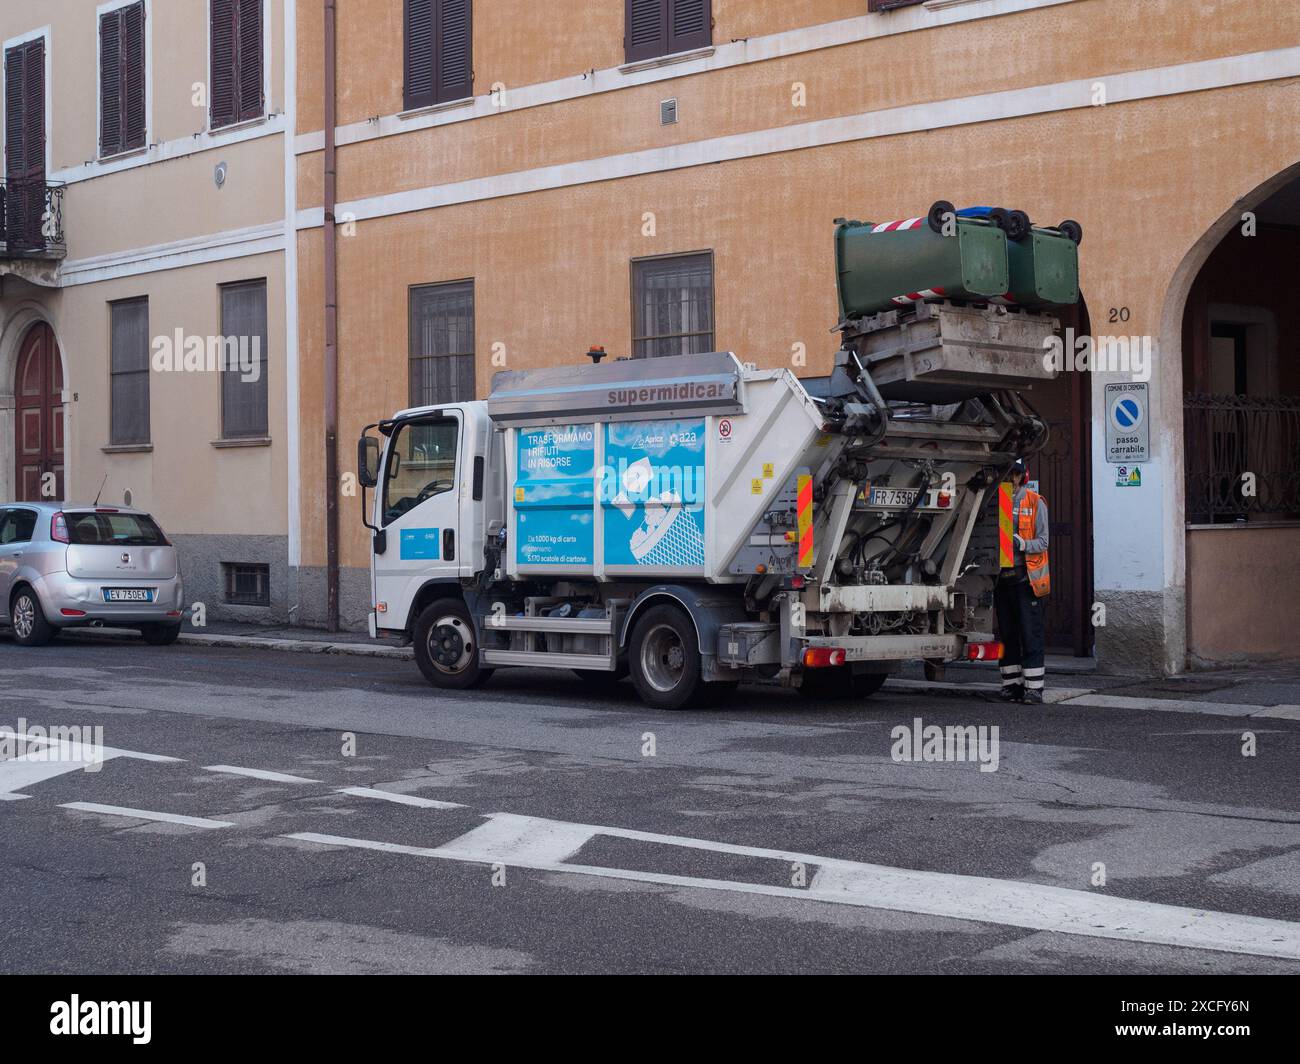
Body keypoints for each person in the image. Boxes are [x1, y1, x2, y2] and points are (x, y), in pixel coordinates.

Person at [995, 459, 1050, 704]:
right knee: (1007, 634)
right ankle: (1011, 685)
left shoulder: (1035, 502)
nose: (1010, 479)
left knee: (1030, 634)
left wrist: (1022, 544)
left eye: (1013, 474)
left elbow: (1044, 542)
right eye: (1006, 473)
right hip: (1001, 580)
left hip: (1026, 580)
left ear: (1021, 476)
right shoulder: (995, 501)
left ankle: (1034, 688)